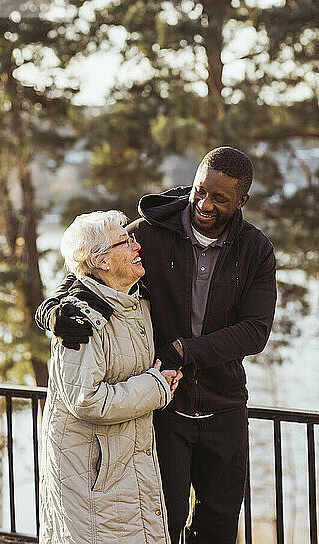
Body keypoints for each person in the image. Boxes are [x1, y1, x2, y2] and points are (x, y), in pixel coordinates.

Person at [37, 147, 277, 544]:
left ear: (241, 201)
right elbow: (91, 264)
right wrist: (50, 309)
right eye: (201, 191)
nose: (204, 204)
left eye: (219, 199)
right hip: (165, 410)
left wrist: (184, 351)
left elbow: (255, 331)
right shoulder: (150, 232)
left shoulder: (255, 249)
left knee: (218, 526)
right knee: (163, 521)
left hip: (225, 407)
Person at [36, 210, 182, 544]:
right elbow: (86, 400)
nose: (137, 244)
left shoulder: (136, 301)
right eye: (125, 240)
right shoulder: (79, 319)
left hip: (125, 466)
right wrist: (156, 386)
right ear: (101, 260)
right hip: (92, 476)